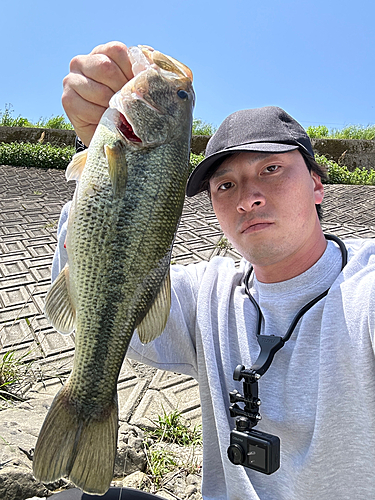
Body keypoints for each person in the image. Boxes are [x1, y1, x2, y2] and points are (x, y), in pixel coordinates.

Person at [54, 41, 375, 500]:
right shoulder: (209, 293)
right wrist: (96, 169)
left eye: (271, 169)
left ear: (318, 184)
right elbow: (100, 289)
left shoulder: (364, 288)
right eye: (226, 184)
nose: (248, 197)